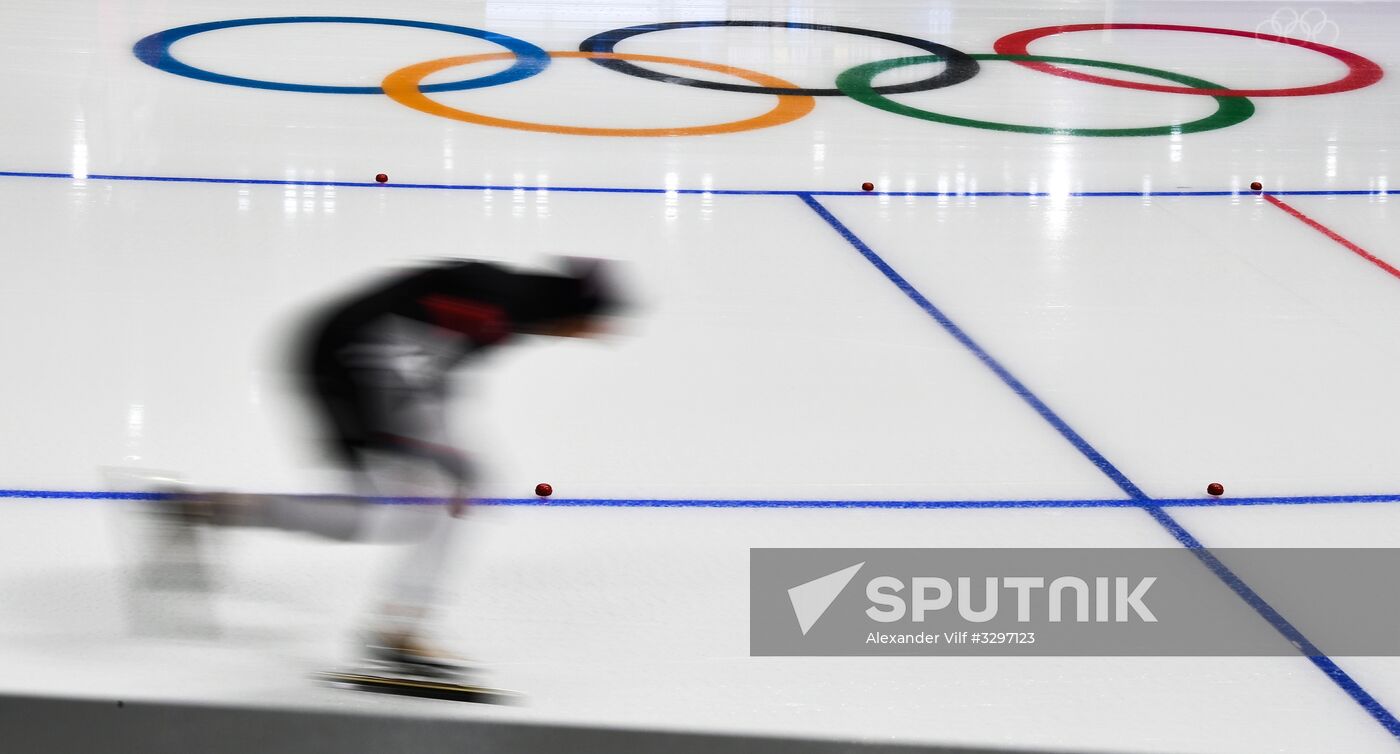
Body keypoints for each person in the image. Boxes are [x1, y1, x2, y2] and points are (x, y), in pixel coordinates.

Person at [169, 256, 623, 672]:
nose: (591, 337)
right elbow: (401, 347)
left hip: (363, 359)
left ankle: (221, 510)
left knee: (421, 504)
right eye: (593, 326)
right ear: (577, 313)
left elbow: (431, 357)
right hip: (354, 361)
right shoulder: (497, 303)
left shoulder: (517, 306)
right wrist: (434, 449)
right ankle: (398, 632)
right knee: (410, 509)